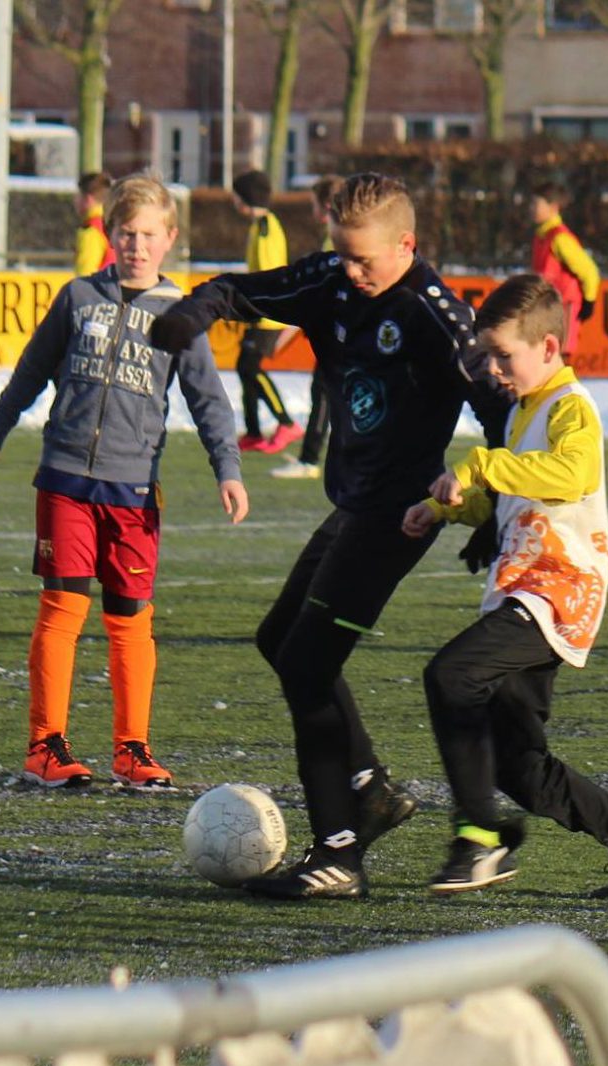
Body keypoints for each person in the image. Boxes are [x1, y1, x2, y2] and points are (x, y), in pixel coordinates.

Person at [150, 172, 510, 899]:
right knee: (278, 639)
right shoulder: (332, 279)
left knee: (309, 663)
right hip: (352, 503)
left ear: (406, 245)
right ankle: (369, 788)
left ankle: (340, 850)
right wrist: (192, 315)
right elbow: (237, 288)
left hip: (401, 514)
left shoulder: (436, 315)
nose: (349, 272)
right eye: (341, 255)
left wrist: (492, 507)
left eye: (364, 260)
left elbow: (503, 412)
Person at [403, 275, 608, 899]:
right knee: (520, 766)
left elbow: (571, 474)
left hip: (559, 590)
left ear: (550, 348)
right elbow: (511, 494)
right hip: (522, 589)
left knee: (451, 675)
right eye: (491, 356)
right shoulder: (523, 410)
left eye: (506, 356)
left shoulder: (570, 406)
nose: (496, 369)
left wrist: (478, 464)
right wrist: (449, 508)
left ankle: (480, 837)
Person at [0, 172, 248, 790]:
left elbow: (209, 402)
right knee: (62, 609)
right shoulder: (77, 298)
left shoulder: (181, 316)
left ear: (170, 238)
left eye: (149, 234)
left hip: (133, 492)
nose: (137, 245)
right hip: (66, 479)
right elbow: (31, 370)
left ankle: (133, 749)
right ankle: (46, 745)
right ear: (110, 232)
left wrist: (226, 469)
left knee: (130, 619)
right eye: (126, 233)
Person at [273, 174, 346, 481]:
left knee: (325, 393)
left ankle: (310, 459)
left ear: (326, 205)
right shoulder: (342, 235)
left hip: (338, 334)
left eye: (314, 203)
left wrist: (292, 327)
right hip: (342, 331)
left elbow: (323, 293)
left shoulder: (337, 239)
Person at [230, 169, 301, 455]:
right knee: (244, 367)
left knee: (250, 367)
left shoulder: (266, 228)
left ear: (243, 198)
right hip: (260, 310)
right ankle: (254, 432)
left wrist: (262, 306)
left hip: (268, 313)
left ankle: (286, 423)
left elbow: (272, 273)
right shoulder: (260, 224)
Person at [527, 181, 602, 360]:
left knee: (559, 360)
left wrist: (589, 300)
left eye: (536, 204)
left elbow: (589, 271)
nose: (531, 208)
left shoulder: (560, 238)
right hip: (547, 307)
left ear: (553, 207)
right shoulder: (542, 236)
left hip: (564, 308)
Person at [74, 172, 115, 278]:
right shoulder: (114, 224)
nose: (75, 200)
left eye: (78, 195)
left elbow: (85, 275)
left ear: (88, 199)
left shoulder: (91, 230)